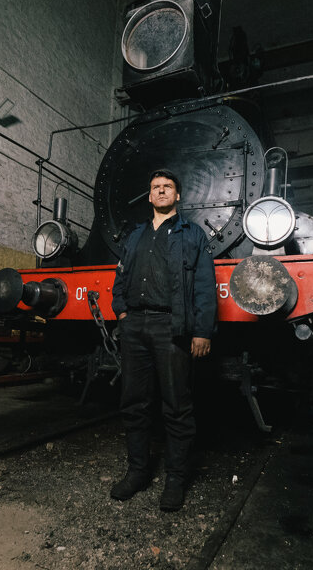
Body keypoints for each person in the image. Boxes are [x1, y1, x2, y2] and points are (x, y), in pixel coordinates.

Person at [110, 169, 217, 512]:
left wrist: (202, 330)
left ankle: (175, 479)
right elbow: (120, 275)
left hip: (171, 327)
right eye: (155, 187)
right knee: (134, 403)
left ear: (177, 195)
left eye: (167, 187)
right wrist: (121, 312)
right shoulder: (135, 235)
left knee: (176, 406)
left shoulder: (192, 234)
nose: (160, 191)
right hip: (134, 326)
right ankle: (138, 472)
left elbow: (205, 285)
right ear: (149, 195)